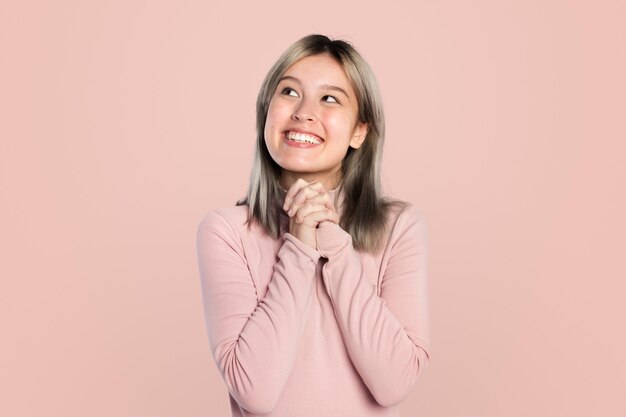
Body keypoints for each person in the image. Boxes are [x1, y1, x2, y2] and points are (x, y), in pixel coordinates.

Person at [196, 33, 430, 417]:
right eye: (289, 92)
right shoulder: (226, 231)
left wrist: (335, 245)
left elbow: (394, 383)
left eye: (330, 99)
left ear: (359, 131)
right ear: (266, 113)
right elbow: (255, 392)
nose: (304, 112)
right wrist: (300, 247)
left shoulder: (399, 226)